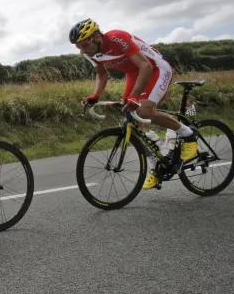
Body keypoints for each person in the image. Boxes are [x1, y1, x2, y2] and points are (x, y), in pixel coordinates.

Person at [69, 18, 199, 189]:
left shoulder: (117, 38)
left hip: (156, 67)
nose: (82, 50)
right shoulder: (90, 53)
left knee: (143, 110)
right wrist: (95, 95)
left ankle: (188, 134)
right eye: (79, 47)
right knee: (130, 121)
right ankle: (155, 165)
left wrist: (135, 96)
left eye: (84, 45)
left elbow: (145, 65)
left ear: (96, 37)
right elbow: (102, 74)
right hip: (133, 73)